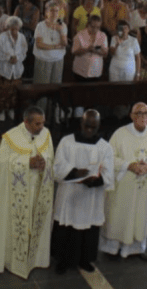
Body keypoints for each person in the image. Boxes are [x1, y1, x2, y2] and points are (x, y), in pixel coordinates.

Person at [0, 106, 54, 278]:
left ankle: (35, 258)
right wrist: (28, 162)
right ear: (26, 122)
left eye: (43, 123)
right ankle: (7, 259)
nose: (41, 127)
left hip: (37, 189)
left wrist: (45, 163)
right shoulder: (11, 137)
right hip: (14, 195)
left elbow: (50, 156)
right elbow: (3, 165)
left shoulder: (46, 134)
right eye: (37, 124)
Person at [100, 102, 147, 260]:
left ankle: (136, 249)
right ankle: (113, 248)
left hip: (143, 186)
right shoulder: (120, 134)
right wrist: (129, 165)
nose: (143, 117)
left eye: (146, 113)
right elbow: (108, 157)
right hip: (123, 185)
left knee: (140, 217)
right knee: (119, 215)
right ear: (131, 115)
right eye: (139, 113)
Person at [51, 109, 114, 274]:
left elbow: (109, 174)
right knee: (67, 227)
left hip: (91, 197)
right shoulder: (67, 141)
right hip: (69, 195)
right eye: (86, 126)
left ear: (99, 126)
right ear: (81, 123)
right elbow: (57, 166)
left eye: (93, 127)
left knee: (89, 230)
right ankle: (63, 260)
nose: (89, 130)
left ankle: (85, 260)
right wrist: (74, 172)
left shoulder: (105, 147)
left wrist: (95, 181)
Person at [33, 2, 67, 111]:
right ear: (46, 12)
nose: (54, 13)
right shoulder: (40, 25)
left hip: (57, 60)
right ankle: (39, 113)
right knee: (42, 89)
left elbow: (65, 43)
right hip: (43, 60)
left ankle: (52, 114)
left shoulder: (62, 25)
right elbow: (40, 44)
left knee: (55, 88)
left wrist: (60, 30)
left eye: (56, 10)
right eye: (51, 10)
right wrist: (56, 46)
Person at [0, 16, 28, 121]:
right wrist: (8, 58)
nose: (14, 31)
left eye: (16, 28)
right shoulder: (2, 37)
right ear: (8, 28)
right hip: (5, 68)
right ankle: (2, 111)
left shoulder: (22, 37)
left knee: (14, 92)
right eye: (12, 28)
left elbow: (24, 51)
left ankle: (11, 110)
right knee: (4, 91)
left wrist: (17, 58)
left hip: (17, 69)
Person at [71, 15, 108, 82]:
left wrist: (96, 51)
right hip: (80, 71)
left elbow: (105, 54)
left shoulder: (103, 36)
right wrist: (87, 49)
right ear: (88, 25)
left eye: (98, 27)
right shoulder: (79, 35)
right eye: (93, 27)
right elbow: (74, 51)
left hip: (96, 71)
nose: (95, 30)